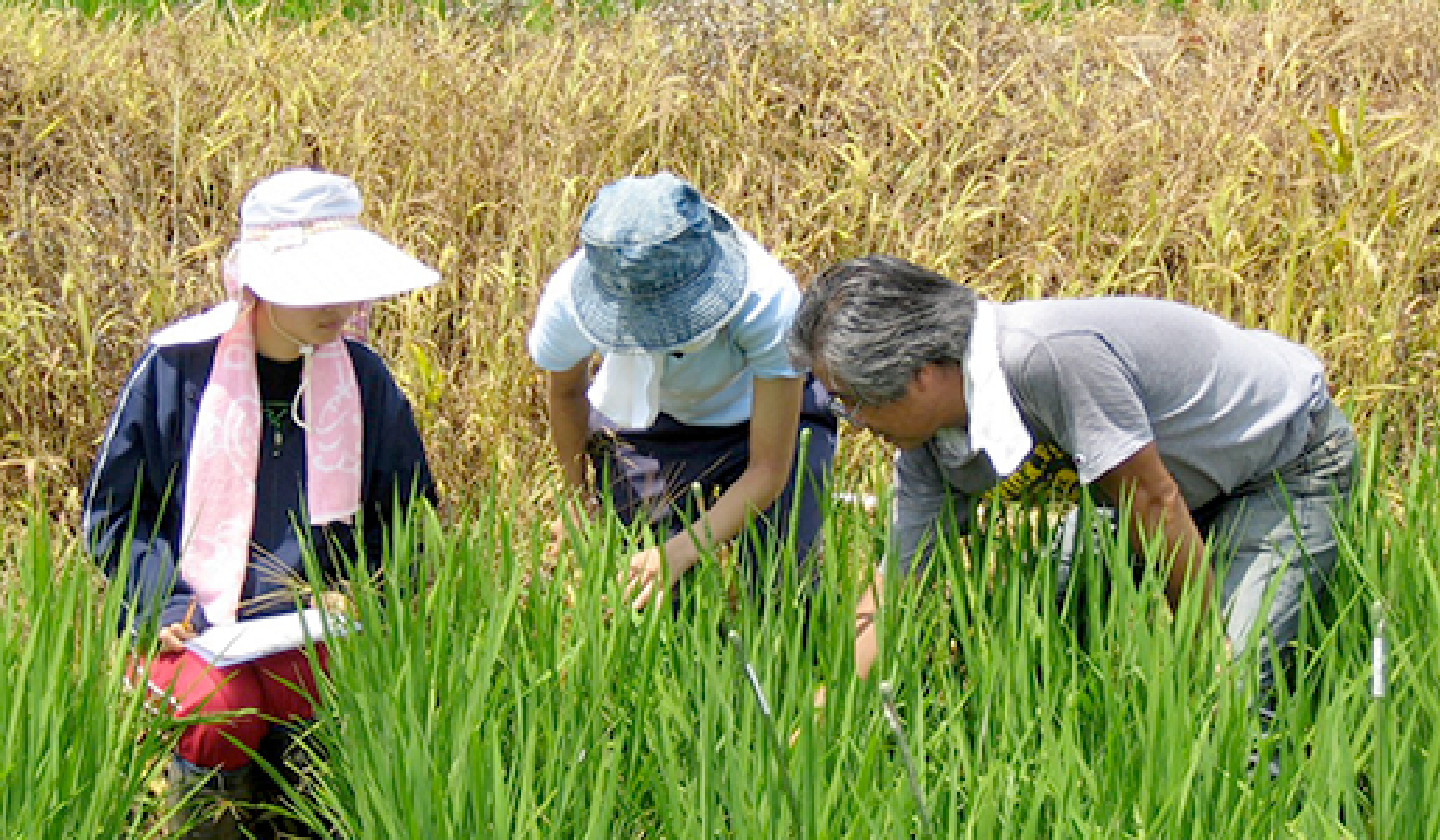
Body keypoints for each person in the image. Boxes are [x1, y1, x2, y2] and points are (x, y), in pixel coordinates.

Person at [788, 255, 1357, 694]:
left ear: (917, 374)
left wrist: (1204, 654)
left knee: (1233, 689)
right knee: (1032, 640)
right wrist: (825, 708)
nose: (853, 421)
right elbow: (896, 586)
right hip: (1142, 492)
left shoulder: (1046, 357)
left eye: (851, 401)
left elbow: (1154, 502)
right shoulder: (928, 446)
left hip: (1282, 464)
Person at [83, 168, 439, 838]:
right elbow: (111, 516)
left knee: (351, 701)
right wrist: (162, 600)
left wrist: (369, 591)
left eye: (346, 284)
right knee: (223, 711)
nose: (340, 305)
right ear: (260, 283)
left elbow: (411, 521)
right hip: (191, 631)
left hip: (318, 626)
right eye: (316, 287)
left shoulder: (364, 379)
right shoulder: (176, 369)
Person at [528, 172, 836, 612]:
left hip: (764, 421)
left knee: (781, 587)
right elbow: (565, 396)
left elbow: (769, 468)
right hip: (648, 421)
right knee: (645, 601)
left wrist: (682, 551)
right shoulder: (567, 299)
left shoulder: (768, 300)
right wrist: (575, 499)